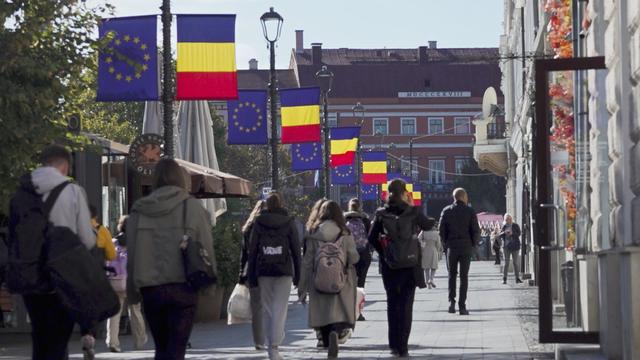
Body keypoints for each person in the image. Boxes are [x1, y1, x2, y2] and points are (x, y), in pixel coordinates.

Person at [8, 145, 96, 360]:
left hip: (31, 276)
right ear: (65, 166)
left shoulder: (21, 194)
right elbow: (87, 240)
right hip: (62, 276)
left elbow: (12, 237)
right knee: (59, 340)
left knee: (40, 336)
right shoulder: (73, 192)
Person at [127, 158, 216, 360]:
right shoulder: (192, 207)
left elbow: (132, 254)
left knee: (162, 347)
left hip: (152, 290)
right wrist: (209, 284)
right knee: (176, 350)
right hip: (183, 287)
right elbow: (206, 247)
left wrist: (133, 292)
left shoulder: (139, 209)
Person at [369, 179, 435, 358]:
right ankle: (403, 347)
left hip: (390, 265)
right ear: (404, 192)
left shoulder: (381, 213)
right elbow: (429, 224)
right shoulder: (413, 211)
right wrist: (413, 205)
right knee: (406, 305)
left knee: (392, 303)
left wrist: (384, 252)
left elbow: (371, 238)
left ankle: (393, 345)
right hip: (410, 264)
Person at [298, 201, 359, 359]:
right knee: (338, 309)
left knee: (322, 311)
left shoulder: (313, 232)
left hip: (318, 279)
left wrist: (302, 287)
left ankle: (326, 339)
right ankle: (335, 332)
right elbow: (353, 257)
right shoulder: (345, 233)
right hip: (340, 279)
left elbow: (307, 261)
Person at [247, 192, 301, 360]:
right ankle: (274, 346)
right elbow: (295, 249)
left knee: (268, 310)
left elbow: (253, 250)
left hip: (264, 270)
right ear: (281, 204)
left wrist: (251, 275)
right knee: (280, 309)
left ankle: (272, 343)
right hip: (284, 270)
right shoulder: (289, 222)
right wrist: (298, 274)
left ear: (267, 205)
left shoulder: (258, 222)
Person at [105, 216, 148, 353]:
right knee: (135, 311)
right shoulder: (137, 243)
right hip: (132, 283)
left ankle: (113, 341)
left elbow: (107, 260)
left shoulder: (113, 242)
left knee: (114, 313)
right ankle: (140, 341)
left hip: (115, 282)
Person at [439, 188, 481, 316]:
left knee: (451, 275)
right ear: (463, 197)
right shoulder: (470, 211)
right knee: (464, 277)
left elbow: (441, 230)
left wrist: (446, 244)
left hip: (452, 246)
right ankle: (462, 306)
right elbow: (476, 230)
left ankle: (451, 303)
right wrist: (474, 245)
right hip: (466, 246)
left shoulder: (446, 211)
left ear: (454, 197)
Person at [238, 200, 267, 351]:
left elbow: (243, 254)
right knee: (271, 306)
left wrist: (241, 275)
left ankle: (259, 341)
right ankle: (273, 337)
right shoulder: (270, 226)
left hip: (253, 270)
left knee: (257, 308)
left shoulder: (248, 228)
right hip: (270, 268)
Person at [343, 198, 371, 319]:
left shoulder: (343, 219)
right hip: (363, 255)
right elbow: (370, 237)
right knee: (360, 284)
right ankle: (358, 312)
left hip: (348, 255)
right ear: (360, 207)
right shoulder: (365, 219)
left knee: (348, 284)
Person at [418, 221, 442, 289]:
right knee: (433, 266)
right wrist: (438, 250)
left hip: (425, 250)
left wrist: (423, 244)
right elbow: (438, 244)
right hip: (433, 250)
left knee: (426, 268)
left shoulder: (423, 231)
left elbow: (418, 239)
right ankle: (431, 279)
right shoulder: (436, 233)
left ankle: (427, 282)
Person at [500, 214, 522, 284]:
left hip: (515, 246)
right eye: (506, 220)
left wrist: (512, 233)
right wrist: (504, 232)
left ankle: (517, 278)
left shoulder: (515, 225)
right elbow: (500, 235)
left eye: (509, 219)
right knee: (506, 263)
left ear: (511, 219)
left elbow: (519, 233)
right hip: (506, 247)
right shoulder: (504, 226)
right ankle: (504, 278)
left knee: (515, 263)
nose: (508, 221)